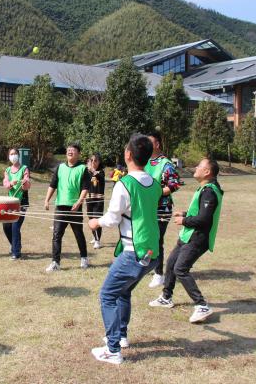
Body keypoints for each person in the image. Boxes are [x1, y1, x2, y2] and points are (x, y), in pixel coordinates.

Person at [88, 134, 162, 365]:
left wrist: (95, 222)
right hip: (152, 253)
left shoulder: (125, 184)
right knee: (123, 291)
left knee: (107, 295)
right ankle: (120, 336)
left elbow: (112, 219)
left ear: (128, 154)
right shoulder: (155, 184)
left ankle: (112, 350)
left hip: (133, 252)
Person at [149, 158, 223, 324]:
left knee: (180, 269)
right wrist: (185, 214)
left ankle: (201, 305)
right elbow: (200, 212)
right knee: (171, 263)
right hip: (188, 235)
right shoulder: (205, 188)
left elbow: (204, 220)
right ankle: (166, 297)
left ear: (207, 172)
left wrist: (184, 221)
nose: (196, 167)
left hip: (198, 238)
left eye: (199, 166)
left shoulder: (209, 191)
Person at [44, 143, 90, 272]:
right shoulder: (60, 167)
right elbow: (53, 185)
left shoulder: (83, 168)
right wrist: (47, 200)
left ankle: (84, 258)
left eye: (73, 150)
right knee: (56, 235)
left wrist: (79, 202)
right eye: (68, 150)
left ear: (78, 154)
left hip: (75, 208)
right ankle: (55, 262)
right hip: (60, 206)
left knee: (78, 234)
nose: (70, 151)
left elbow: (85, 188)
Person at [145, 130, 181, 289]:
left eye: (149, 142)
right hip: (146, 208)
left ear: (157, 144)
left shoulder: (165, 163)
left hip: (161, 209)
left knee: (156, 240)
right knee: (146, 237)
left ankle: (159, 274)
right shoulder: (145, 161)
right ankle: (150, 267)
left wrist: (156, 193)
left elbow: (174, 185)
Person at [2, 148, 31, 260]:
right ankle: (15, 245)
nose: (13, 156)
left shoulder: (24, 168)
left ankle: (16, 252)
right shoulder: (7, 170)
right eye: (11, 154)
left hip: (21, 203)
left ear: (18, 155)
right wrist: (10, 183)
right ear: (9, 156)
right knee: (6, 226)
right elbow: (5, 183)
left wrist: (24, 183)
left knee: (15, 226)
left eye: (15, 154)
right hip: (10, 202)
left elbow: (27, 184)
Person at [86, 153, 105, 250]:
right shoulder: (87, 172)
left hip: (98, 200)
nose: (93, 162)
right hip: (89, 199)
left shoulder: (101, 172)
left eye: (95, 160)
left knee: (97, 220)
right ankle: (95, 236)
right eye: (91, 160)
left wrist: (93, 170)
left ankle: (98, 241)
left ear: (99, 162)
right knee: (90, 219)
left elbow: (100, 177)